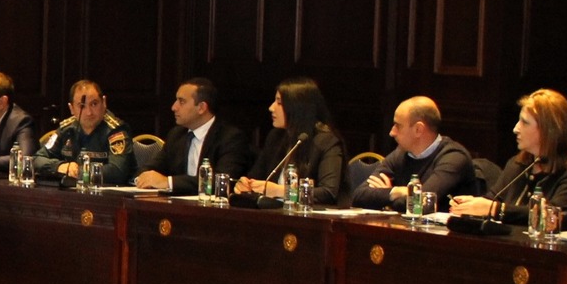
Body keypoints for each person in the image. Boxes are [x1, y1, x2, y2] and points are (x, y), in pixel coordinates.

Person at [449, 89, 567, 226]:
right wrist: (472, 204)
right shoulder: (517, 164)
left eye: (524, 122)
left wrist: (494, 209)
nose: (515, 129)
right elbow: (493, 199)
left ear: (548, 129)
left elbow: (552, 216)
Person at [235, 77, 348, 207]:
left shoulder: (326, 141)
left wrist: (280, 191)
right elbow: (256, 177)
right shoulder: (276, 137)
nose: (271, 108)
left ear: (297, 108)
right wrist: (246, 184)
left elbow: (328, 192)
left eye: (279, 103)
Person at [352, 96, 477, 210]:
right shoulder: (400, 154)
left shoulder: (453, 157)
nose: (392, 132)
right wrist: (395, 191)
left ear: (418, 129)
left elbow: (421, 204)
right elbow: (359, 196)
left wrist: (385, 199)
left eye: (397, 125)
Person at [135, 78, 254, 194]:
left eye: (181, 101)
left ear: (201, 108)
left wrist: (169, 182)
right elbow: (151, 168)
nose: (174, 107)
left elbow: (222, 181)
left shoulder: (230, 138)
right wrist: (144, 178)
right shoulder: (176, 135)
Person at [32, 80, 135, 185]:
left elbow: (117, 171)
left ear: (104, 103)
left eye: (94, 104)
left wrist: (78, 172)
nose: (89, 112)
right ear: (71, 108)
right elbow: (37, 159)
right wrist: (59, 166)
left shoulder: (116, 130)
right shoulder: (67, 129)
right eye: (82, 106)